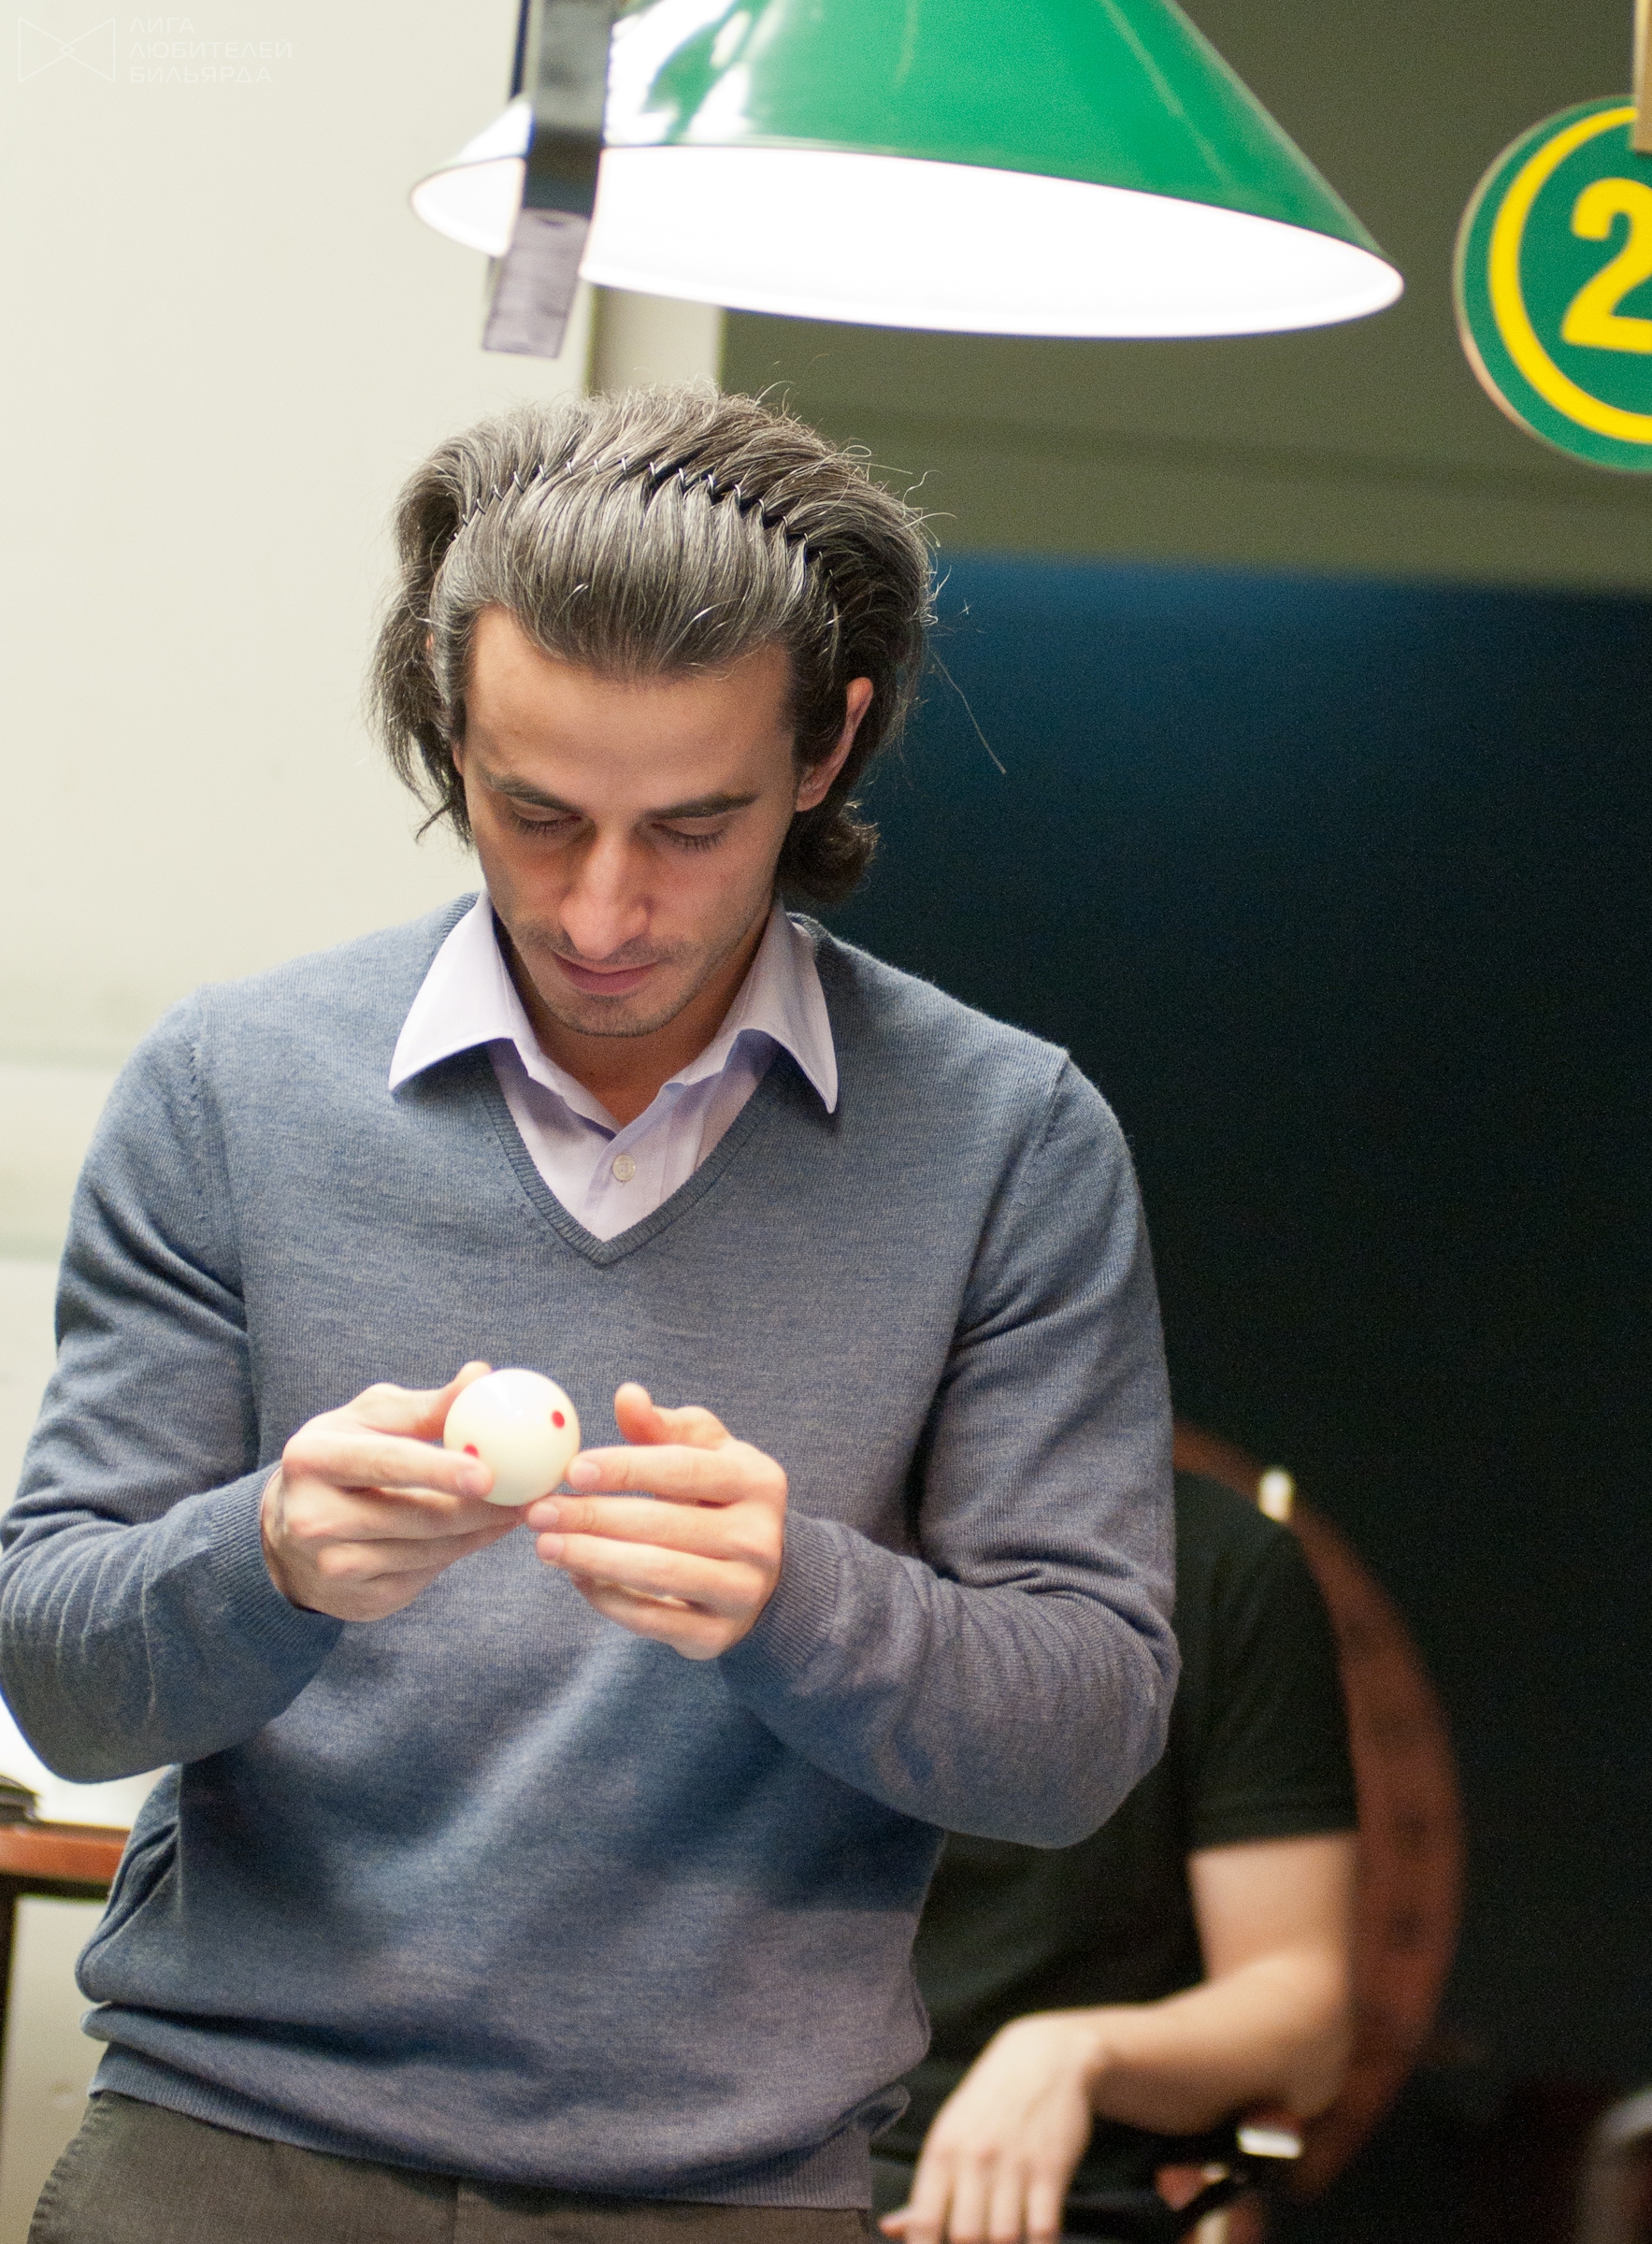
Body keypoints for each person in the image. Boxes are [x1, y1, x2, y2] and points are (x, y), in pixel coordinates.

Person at [1, 387, 1178, 2242]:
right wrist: (267, 1557)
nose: (603, 911)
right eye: (532, 813)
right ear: (446, 725)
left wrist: (796, 1603)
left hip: (727, 2192)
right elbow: (57, 1686)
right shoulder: (229, 1089)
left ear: (825, 744)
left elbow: (1084, 1737)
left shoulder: (1007, 1143)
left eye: (692, 827)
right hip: (225, 2155)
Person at [873, 1469, 1358, 2244]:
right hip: (736, 2176)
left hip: (1044, 2204)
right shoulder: (771, 1533)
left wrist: (1075, 2053)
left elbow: (1302, 2019)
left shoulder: (1219, 1559)